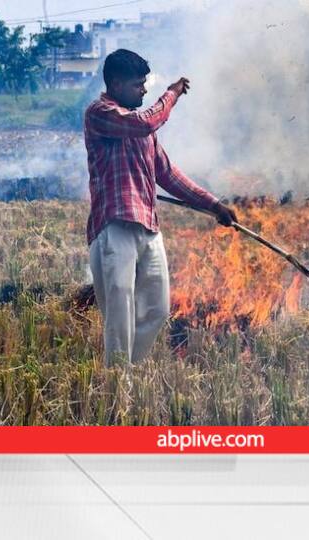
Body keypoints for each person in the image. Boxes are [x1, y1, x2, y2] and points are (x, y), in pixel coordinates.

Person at [84, 49, 237, 366]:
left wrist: (214, 205)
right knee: (120, 313)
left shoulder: (144, 131)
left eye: (145, 84)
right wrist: (172, 93)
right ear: (115, 83)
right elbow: (145, 121)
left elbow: (168, 175)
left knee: (157, 309)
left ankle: (125, 372)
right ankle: (117, 390)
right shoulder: (101, 113)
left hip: (149, 229)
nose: (143, 90)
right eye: (137, 85)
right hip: (114, 227)